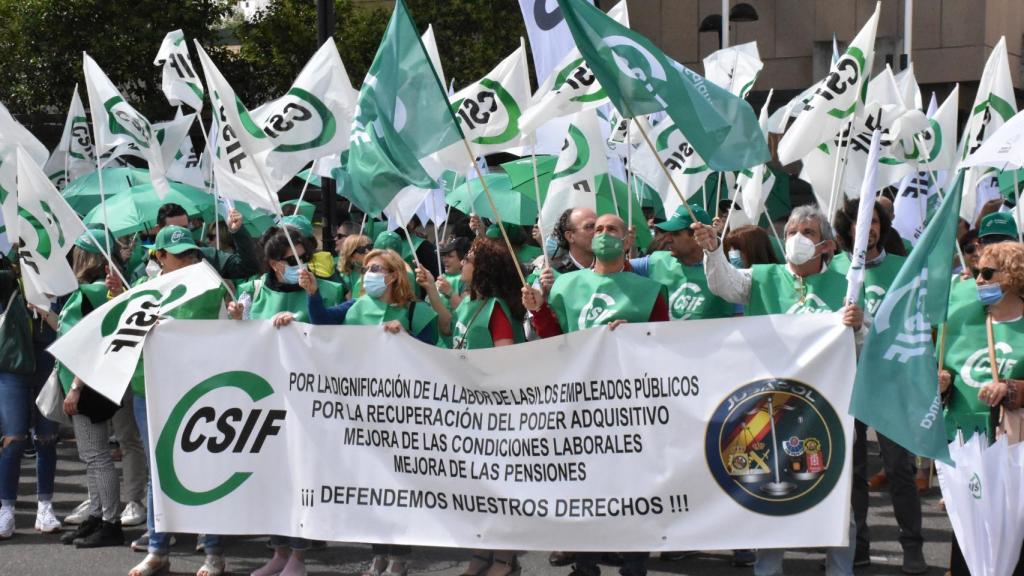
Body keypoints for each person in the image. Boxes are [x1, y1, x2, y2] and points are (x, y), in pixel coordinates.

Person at [694, 204, 863, 576]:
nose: (798, 239)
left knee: (835, 497)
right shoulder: (762, 277)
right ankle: (767, 570)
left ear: (826, 246)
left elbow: (862, 347)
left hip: (826, 409)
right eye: (791, 232)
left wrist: (858, 326)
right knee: (769, 496)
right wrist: (712, 250)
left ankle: (840, 570)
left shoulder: (846, 286)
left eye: (808, 233)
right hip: (767, 407)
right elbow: (724, 284)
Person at [522, 214, 665, 576]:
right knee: (585, 484)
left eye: (611, 229)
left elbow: (665, 345)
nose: (603, 235)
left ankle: (635, 562)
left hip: (631, 405)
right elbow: (555, 338)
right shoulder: (565, 286)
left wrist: (638, 334)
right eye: (597, 229)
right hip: (580, 402)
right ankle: (586, 562)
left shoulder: (649, 290)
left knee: (634, 487)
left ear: (627, 239)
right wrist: (539, 309)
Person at [290, 249, 438, 576]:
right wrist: (313, 294)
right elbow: (323, 322)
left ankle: (398, 556)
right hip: (361, 411)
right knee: (371, 485)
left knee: (398, 486)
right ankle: (379, 553)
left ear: (393, 275)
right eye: (366, 269)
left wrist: (407, 338)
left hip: (401, 412)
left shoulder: (417, 311)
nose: (368, 274)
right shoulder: (356, 306)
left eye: (376, 269)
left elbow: (432, 356)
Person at [231, 226, 342, 576]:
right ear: (273, 263)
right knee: (271, 478)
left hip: (308, 400)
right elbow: (244, 339)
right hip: (265, 397)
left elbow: (337, 336)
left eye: (303, 257)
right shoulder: (254, 290)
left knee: (300, 477)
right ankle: (279, 551)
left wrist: (303, 318)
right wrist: (238, 320)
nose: (299, 264)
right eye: (289, 259)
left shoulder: (330, 289)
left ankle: (299, 556)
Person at [126, 226, 230, 576]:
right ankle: (158, 549)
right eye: (178, 254)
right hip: (150, 388)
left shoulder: (212, 287)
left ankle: (213, 551)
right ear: (159, 257)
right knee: (158, 469)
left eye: (190, 253)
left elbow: (228, 334)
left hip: (198, 390)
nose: (187, 260)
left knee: (203, 466)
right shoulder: (142, 291)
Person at [831, 200, 925, 574]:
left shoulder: (904, 269)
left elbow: (914, 325)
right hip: (845, 382)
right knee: (851, 470)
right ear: (846, 230)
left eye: (874, 222)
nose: (867, 229)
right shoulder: (834, 270)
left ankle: (913, 546)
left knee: (899, 468)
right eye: (859, 222)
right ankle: (859, 543)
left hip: (890, 384)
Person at [434, 237, 526, 576]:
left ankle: (504, 558)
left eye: (470, 259)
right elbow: (449, 334)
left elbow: (505, 358)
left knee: (497, 488)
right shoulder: (469, 303)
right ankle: (479, 552)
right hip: (466, 409)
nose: (464, 265)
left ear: (483, 268)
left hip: (493, 412)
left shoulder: (497, 308)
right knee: (472, 488)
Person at [939, 241, 1024, 576]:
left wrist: (1012, 389)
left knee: (1014, 540)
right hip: (969, 450)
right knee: (969, 543)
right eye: (976, 272)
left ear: (1014, 276)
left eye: (988, 273)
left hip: (1014, 452)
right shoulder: (962, 323)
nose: (978, 281)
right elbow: (946, 383)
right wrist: (941, 384)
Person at [55, 230, 126, 548]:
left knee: (97, 456)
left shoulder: (94, 292)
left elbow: (91, 344)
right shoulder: (95, 291)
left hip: (87, 386)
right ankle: (98, 515)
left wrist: (75, 387)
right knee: (91, 455)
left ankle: (110, 521)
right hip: (90, 384)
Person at [0, 253, 61, 540]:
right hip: (12, 366)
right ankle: (7, 509)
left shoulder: (59, 279)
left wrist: (44, 308)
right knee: (13, 439)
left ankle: (45, 506)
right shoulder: (7, 276)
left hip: (48, 364)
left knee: (46, 438)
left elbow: (67, 327)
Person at [628, 204, 733, 320]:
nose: (667, 239)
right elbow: (615, 271)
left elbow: (742, 322)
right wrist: (622, 248)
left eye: (675, 234)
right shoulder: (656, 261)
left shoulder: (725, 274)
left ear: (697, 236)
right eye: (668, 233)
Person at [154, 203, 261, 281]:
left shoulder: (207, 256)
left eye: (185, 228)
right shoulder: (148, 279)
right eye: (173, 228)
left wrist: (238, 231)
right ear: (160, 256)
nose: (180, 233)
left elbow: (249, 267)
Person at [337, 234, 372, 299]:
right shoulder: (343, 277)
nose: (368, 251)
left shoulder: (375, 272)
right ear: (350, 255)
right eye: (362, 249)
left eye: (369, 247)